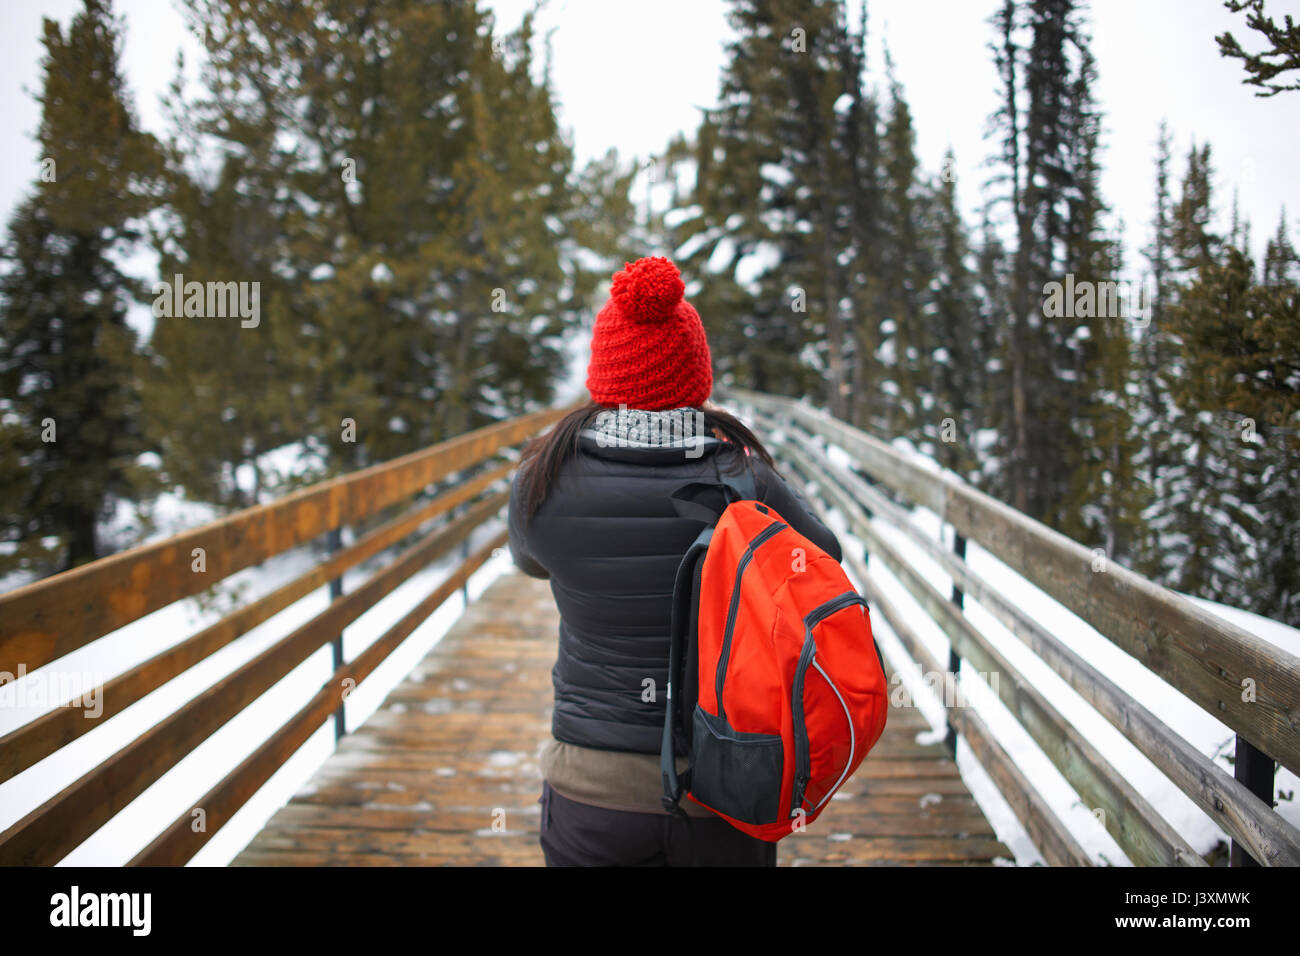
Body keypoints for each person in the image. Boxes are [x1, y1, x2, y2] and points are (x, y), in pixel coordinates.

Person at [507, 255, 843, 867]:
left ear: (603, 373)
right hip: (724, 783)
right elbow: (825, 560)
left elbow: (529, 563)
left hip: (589, 787)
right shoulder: (744, 477)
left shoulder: (543, 479)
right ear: (696, 373)